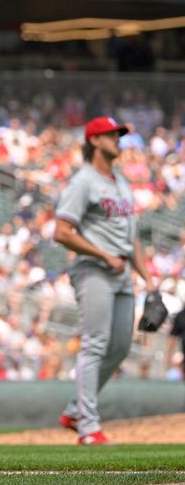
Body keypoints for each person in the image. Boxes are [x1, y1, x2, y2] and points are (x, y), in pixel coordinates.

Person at [54, 116, 154, 445]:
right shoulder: (83, 181)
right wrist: (102, 255)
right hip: (93, 270)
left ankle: (73, 409)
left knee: (121, 346)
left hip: (123, 271)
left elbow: (133, 237)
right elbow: (62, 232)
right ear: (94, 140)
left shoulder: (121, 183)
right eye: (112, 135)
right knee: (95, 344)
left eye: (118, 135)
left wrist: (148, 281)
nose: (118, 141)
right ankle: (88, 428)